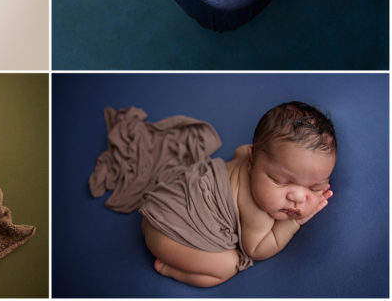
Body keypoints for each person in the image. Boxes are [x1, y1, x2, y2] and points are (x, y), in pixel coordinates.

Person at [142, 102, 335, 287]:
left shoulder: (248, 156)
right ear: (252, 161)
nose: (298, 198)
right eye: (281, 181)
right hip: (169, 236)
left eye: (314, 188)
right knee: (228, 265)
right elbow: (256, 249)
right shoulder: (257, 211)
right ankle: (169, 269)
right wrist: (292, 223)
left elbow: (240, 150)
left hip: (164, 205)